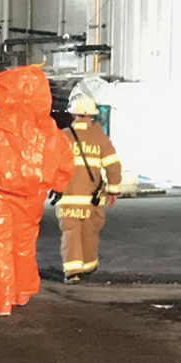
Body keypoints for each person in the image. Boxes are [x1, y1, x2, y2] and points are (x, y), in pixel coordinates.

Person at [0, 66, 74, 316]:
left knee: (0, 245)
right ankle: (22, 290)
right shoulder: (48, 128)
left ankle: (2, 300)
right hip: (32, 194)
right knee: (25, 243)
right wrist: (59, 186)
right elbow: (64, 157)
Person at [56, 95, 122, 284]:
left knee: (71, 233)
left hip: (68, 197)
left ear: (73, 113)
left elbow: (51, 165)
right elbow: (113, 166)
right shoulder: (100, 139)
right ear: (92, 115)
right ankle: (89, 264)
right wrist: (114, 190)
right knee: (89, 232)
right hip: (91, 198)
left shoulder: (63, 137)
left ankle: (73, 271)